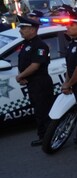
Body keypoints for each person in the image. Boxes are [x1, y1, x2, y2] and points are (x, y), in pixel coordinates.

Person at [14, 16, 55, 146]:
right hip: (32, 82)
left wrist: (21, 76)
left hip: (40, 83)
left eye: (23, 28)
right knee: (38, 110)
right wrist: (23, 76)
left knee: (43, 111)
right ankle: (44, 135)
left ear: (32, 30)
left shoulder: (40, 46)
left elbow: (35, 66)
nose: (20, 30)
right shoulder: (26, 44)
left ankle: (47, 137)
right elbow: (24, 63)